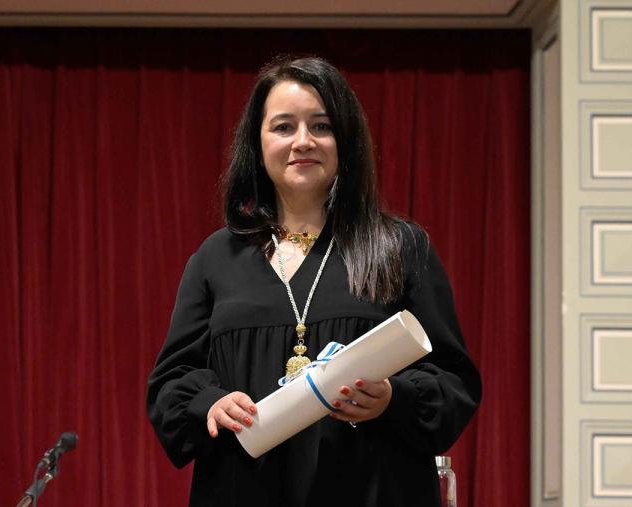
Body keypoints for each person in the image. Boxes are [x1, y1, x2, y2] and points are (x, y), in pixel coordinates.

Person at [146, 56, 481, 507]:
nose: (303, 141)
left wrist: (393, 399)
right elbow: (170, 383)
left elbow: (453, 383)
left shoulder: (399, 247)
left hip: (375, 490)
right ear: (257, 143)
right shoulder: (215, 258)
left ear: (344, 140)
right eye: (283, 127)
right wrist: (209, 402)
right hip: (245, 490)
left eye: (321, 126)